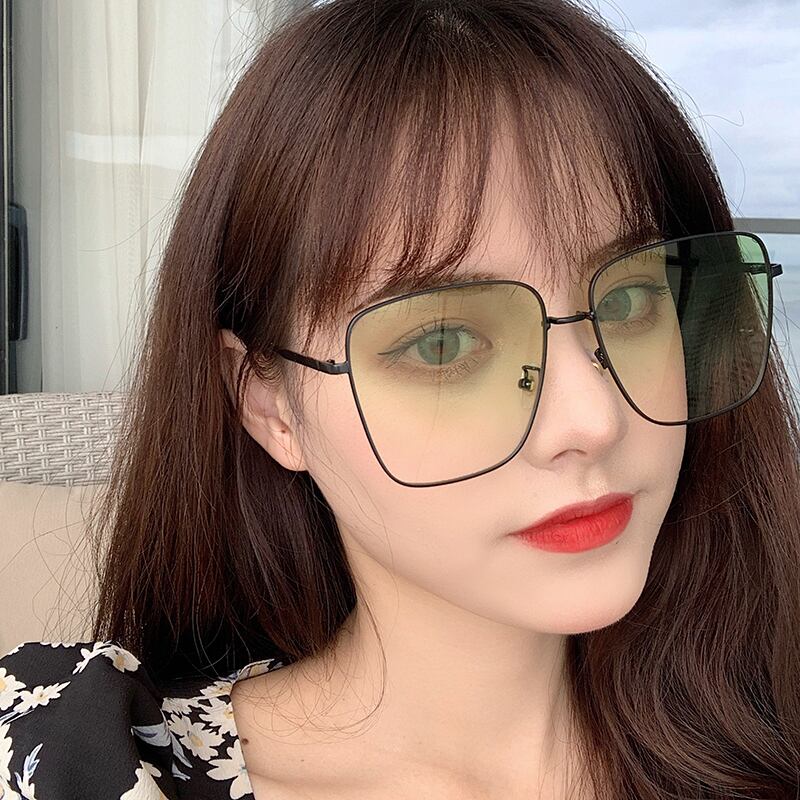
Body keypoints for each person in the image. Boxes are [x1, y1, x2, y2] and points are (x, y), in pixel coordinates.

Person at [2, 0, 798, 797]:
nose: (594, 420)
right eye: (443, 343)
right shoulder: (80, 761)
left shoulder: (769, 730)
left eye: (627, 302)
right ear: (270, 404)